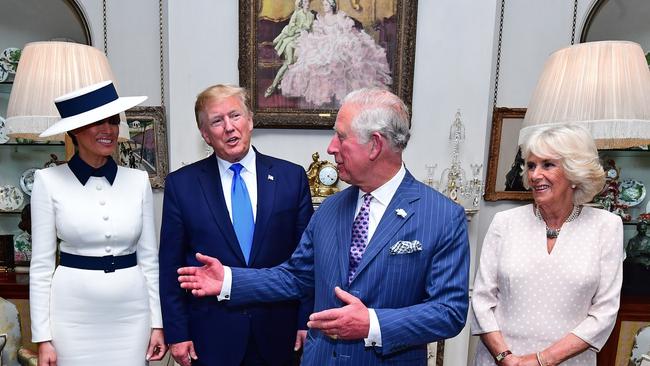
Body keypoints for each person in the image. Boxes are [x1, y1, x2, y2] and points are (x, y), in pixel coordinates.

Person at [178, 87, 470, 364]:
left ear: (375, 145)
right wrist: (229, 281)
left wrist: (372, 324)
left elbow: (449, 312)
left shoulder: (442, 217)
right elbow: (295, 277)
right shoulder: (331, 208)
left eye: (341, 137)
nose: (331, 148)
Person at [159, 84, 314, 366]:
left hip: (279, 332)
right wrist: (177, 332)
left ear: (250, 120)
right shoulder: (182, 185)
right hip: (211, 335)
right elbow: (171, 267)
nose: (229, 127)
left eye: (235, 115)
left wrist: (306, 320)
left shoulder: (291, 178)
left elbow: (307, 262)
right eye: (217, 121)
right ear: (205, 134)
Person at [30, 81, 166, 365]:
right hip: (72, 317)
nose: (108, 130)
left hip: (132, 315)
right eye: (97, 122)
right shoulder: (48, 181)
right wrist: (43, 338)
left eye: (113, 121)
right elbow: (41, 267)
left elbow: (150, 261)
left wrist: (157, 323)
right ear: (74, 131)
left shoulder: (137, 180)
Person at [471, 124, 623, 365]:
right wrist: (505, 357)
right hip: (500, 360)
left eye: (547, 165)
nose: (534, 175)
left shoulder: (606, 226)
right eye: (531, 165)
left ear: (575, 173)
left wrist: (543, 360)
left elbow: (604, 312)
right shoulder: (505, 222)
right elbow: (481, 300)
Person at [280, 0, 392, 107]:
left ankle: (336, 92)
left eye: (326, 5)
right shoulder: (321, 19)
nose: (324, 7)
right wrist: (321, 37)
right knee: (314, 60)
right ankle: (323, 92)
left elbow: (345, 31)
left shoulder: (339, 17)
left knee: (340, 58)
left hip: (338, 42)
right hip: (325, 43)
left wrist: (340, 39)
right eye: (323, 5)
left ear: (332, 5)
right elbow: (319, 32)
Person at [264, 0, 315, 98]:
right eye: (305, 2)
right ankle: (272, 86)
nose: (307, 4)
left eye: (309, 3)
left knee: (303, 62)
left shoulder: (311, 16)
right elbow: (290, 28)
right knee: (289, 63)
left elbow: (311, 31)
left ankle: (286, 85)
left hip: (304, 41)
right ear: (302, 4)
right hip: (292, 41)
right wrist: (299, 29)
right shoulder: (297, 14)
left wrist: (309, 34)